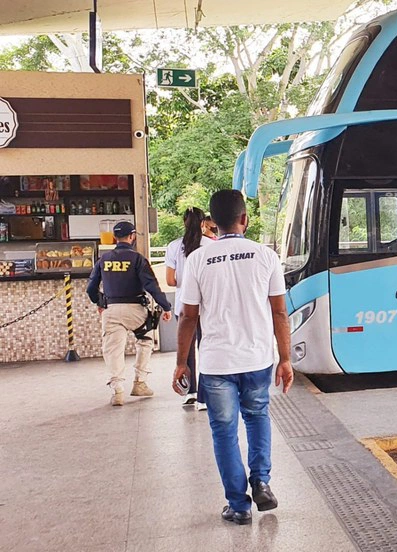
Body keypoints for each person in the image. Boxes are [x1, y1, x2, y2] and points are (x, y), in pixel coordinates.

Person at [174, 190, 293, 525]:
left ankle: (238, 506)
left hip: (216, 364)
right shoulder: (265, 256)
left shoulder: (198, 259)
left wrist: (181, 363)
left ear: (212, 223)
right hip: (257, 359)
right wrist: (285, 359)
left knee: (224, 431)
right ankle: (262, 481)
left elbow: (188, 317)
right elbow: (279, 313)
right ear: (245, 219)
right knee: (257, 417)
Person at [87, 221, 172, 406]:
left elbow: (91, 288)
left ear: (115, 237)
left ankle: (117, 391)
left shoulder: (103, 259)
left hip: (111, 310)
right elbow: (152, 285)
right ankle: (140, 382)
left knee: (113, 349)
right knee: (146, 339)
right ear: (132, 236)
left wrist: (101, 302)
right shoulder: (137, 259)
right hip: (135, 309)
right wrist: (165, 306)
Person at [165, 207, 214, 409]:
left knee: (187, 350)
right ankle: (204, 396)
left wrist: (185, 280)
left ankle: (190, 392)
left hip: (184, 306)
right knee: (207, 348)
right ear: (203, 223)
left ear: (184, 223)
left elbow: (170, 280)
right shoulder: (211, 245)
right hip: (208, 306)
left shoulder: (174, 246)